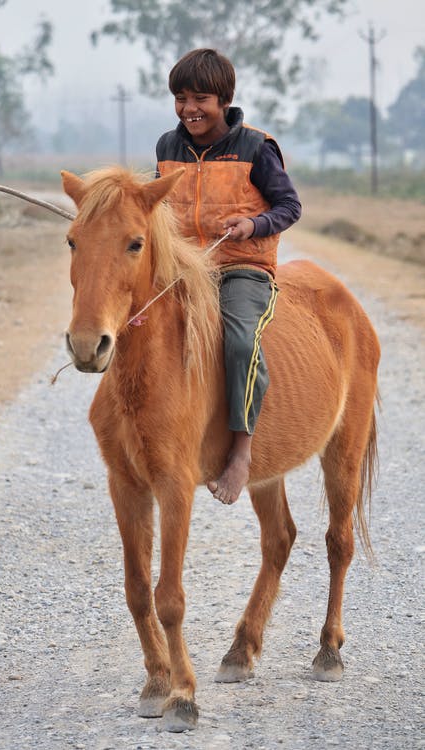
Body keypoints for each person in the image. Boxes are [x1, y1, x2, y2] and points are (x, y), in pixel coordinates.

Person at [156, 48, 302, 506]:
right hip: (184, 267)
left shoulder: (256, 148)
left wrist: (252, 225)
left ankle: (240, 450)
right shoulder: (167, 147)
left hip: (241, 267)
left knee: (239, 341)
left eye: (200, 98)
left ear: (224, 100)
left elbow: (289, 207)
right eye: (181, 97)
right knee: (133, 318)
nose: (189, 109)